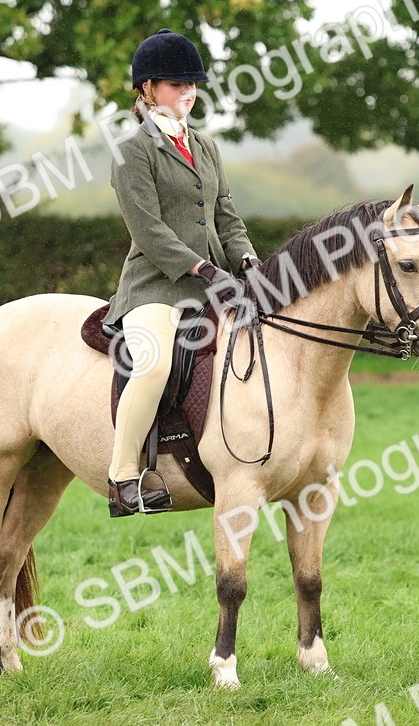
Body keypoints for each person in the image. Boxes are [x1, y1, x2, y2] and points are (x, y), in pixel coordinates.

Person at [101, 28, 261, 518]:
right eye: (176, 84)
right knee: (153, 364)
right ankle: (124, 474)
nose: (188, 93)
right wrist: (199, 267)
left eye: (192, 85)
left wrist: (249, 260)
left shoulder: (207, 146)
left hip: (212, 282)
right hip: (156, 286)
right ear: (147, 89)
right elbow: (148, 230)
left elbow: (226, 215)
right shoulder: (132, 149)